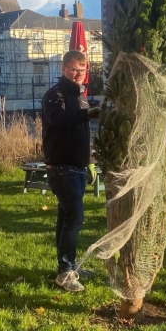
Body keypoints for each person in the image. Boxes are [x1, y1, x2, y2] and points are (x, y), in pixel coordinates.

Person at [42, 50, 101, 292]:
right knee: (74, 218)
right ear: (64, 69)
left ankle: (68, 267)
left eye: (82, 70)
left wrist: (88, 162)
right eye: (74, 69)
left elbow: (82, 134)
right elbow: (58, 120)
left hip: (77, 166)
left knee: (65, 218)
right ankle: (65, 272)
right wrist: (87, 114)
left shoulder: (81, 96)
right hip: (61, 166)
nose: (78, 74)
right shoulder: (55, 95)